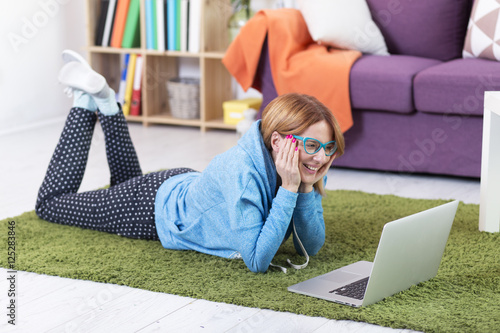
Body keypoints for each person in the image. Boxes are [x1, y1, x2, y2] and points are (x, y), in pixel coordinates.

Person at [36, 50, 345, 273]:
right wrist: (289, 190)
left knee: (122, 184)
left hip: (179, 186)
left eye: (329, 147)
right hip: (151, 210)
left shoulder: (306, 164)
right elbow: (257, 260)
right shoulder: (242, 170)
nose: (321, 157)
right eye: (314, 145)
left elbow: (312, 245)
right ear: (278, 141)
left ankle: (105, 101)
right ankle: (82, 103)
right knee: (50, 205)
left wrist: (305, 188)